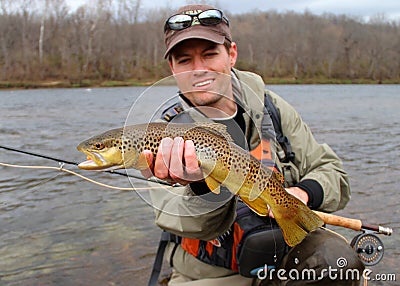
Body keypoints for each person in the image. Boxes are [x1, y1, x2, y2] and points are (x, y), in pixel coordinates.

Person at [142, 4, 365, 286]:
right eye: (185, 60)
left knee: (337, 262)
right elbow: (185, 222)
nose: (199, 70)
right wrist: (200, 187)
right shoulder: (161, 136)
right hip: (210, 274)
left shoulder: (272, 108)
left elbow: (333, 172)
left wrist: (304, 193)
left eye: (210, 54)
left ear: (231, 54)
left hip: (284, 257)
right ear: (172, 68)